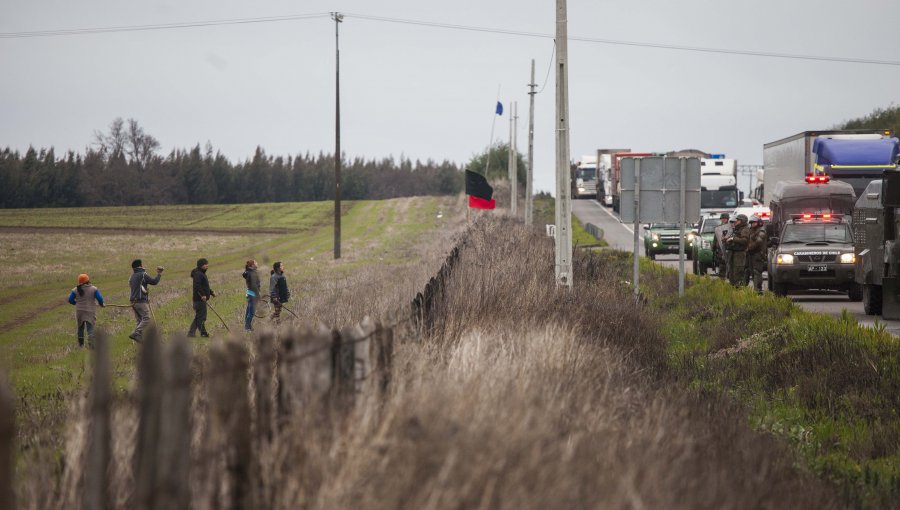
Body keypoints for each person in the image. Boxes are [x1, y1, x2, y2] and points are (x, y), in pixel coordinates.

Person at [129, 260, 163, 343]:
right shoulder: (143, 274)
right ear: (141, 265)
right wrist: (159, 274)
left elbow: (132, 286)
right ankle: (136, 333)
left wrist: (145, 293)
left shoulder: (132, 276)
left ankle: (138, 340)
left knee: (139, 321)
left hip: (133, 301)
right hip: (140, 301)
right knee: (147, 318)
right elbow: (154, 282)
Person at [68, 273, 104, 348]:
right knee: (90, 329)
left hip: (79, 312)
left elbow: (70, 300)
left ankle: (81, 346)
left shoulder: (75, 290)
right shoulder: (93, 289)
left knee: (80, 328)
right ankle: (91, 345)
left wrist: (75, 303)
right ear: (88, 280)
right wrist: (101, 304)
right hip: (90, 311)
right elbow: (100, 299)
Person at [188, 258, 215, 338]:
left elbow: (204, 286)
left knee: (198, 317)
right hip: (199, 300)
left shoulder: (201, 273)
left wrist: (211, 292)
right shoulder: (198, 274)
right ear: (201, 265)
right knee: (202, 317)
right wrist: (203, 295)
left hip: (199, 299)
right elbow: (197, 286)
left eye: (207, 264)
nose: (207, 265)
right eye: (205, 264)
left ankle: (191, 333)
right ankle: (203, 333)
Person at [724, 214, 751, 286]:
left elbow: (744, 240)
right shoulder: (737, 228)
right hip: (733, 252)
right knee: (732, 271)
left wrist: (733, 239)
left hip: (740, 253)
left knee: (738, 271)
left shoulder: (745, 229)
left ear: (742, 221)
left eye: (738, 220)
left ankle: (738, 288)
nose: (736, 221)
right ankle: (733, 287)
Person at [746, 215, 768, 292]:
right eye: (751, 223)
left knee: (757, 272)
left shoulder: (761, 230)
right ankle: (757, 288)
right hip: (751, 254)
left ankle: (757, 289)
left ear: (758, 223)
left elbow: (759, 241)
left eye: (754, 222)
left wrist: (750, 247)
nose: (752, 224)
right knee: (752, 272)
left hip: (758, 254)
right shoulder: (751, 230)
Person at [242, 259, 261, 332]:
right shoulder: (251, 273)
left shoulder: (250, 272)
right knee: (252, 312)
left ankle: (248, 326)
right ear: (252, 265)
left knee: (249, 310)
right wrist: (258, 295)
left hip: (250, 293)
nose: (257, 263)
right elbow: (254, 286)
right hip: (253, 294)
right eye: (256, 262)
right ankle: (247, 328)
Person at [713, 213, 731, 278]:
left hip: (727, 248)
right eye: (722, 219)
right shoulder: (719, 227)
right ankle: (722, 279)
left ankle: (729, 276)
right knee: (721, 264)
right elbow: (715, 238)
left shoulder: (730, 227)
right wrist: (714, 246)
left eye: (725, 219)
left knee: (728, 263)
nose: (723, 220)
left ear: (727, 219)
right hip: (720, 249)